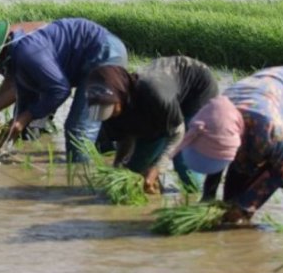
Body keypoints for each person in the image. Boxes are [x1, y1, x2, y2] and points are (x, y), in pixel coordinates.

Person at [0, 17, 128, 162]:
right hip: (101, 55)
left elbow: (60, 90)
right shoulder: (17, 60)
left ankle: (82, 187)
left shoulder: (26, 52)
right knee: (97, 134)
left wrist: (26, 117)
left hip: (103, 55)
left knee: (78, 133)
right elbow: (26, 99)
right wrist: (11, 130)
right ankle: (115, 164)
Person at [176, 66, 283, 222]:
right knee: (234, 191)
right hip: (260, 100)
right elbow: (216, 156)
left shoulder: (267, 127)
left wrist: (244, 206)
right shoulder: (212, 121)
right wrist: (208, 196)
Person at [85, 56, 219, 193]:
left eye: (111, 108)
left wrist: (157, 168)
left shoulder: (152, 94)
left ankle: (195, 195)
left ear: (120, 94)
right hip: (164, 103)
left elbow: (177, 134)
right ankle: (155, 192)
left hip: (197, 89)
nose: (110, 114)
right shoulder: (113, 108)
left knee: (183, 159)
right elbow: (125, 137)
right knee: (134, 168)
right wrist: (117, 166)